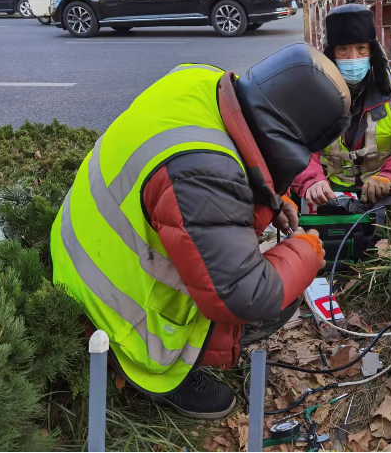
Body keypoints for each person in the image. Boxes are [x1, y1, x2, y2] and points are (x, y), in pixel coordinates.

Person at [50, 43, 351, 419]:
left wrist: (277, 198)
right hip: (110, 308)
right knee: (275, 291)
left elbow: (243, 152)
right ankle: (164, 375)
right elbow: (245, 295)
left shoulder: (198, 81)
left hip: (82, 251)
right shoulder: (203, 175)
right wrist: (307, 251)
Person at [292, 4, 391, 207]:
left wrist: (390, 176)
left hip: (386, 189)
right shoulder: (311, 94)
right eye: (343, 49)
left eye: (361, 49)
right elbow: (293, 141)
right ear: (330, 53)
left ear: (372, 51)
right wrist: (311, 179)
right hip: (325, 192)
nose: (353, 58)